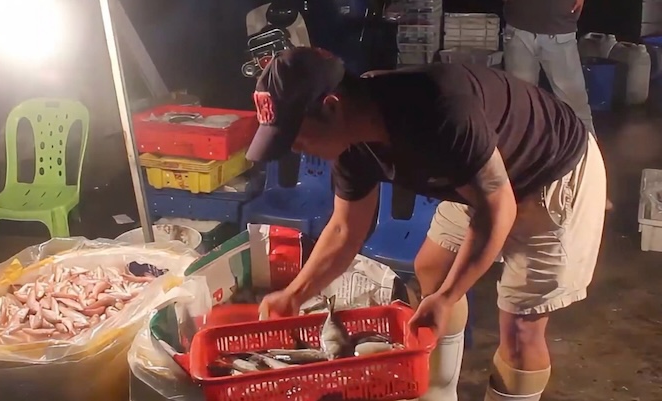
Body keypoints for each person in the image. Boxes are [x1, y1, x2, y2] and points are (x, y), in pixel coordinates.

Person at [248, 47, 606, 401]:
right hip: (482, 177)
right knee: (432, 267)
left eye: (295, 135)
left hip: (551, 174)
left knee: (520, 328)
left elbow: (499, 208)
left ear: (331, 106)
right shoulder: (351, 142)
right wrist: (294, 295)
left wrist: (448, 297)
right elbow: (344, 229)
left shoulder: (437, 108)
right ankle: (439, 393)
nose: (295, 148)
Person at [502, 0, 612, 210]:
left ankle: (594, 189)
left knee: (577, 112)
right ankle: (519, 189)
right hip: (518, 28)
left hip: (557, 27)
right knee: (521, 111)